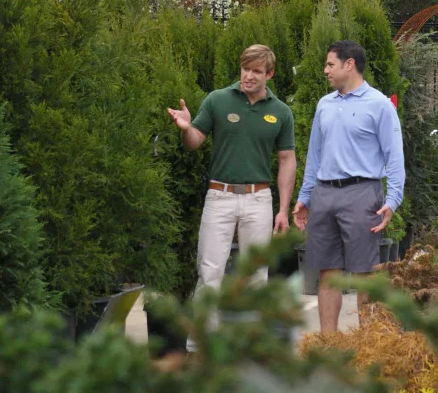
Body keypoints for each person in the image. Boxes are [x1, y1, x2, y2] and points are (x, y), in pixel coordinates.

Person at [167, 44, 296, 350]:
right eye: (245, 69)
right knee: (210, 270)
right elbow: (194, 141)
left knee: (255, 275)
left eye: (256, 71)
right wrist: (186, 128)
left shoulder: (281, 112)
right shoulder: (217, 100)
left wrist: (283, 209)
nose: (249, 76)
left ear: (270, 74)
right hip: (219, 196)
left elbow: (287, 160)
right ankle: (200, 346)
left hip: (259, 200)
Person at [291, 40, 405, 332]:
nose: (325, 70)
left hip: (362, 193)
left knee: (364, 273)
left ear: (349, 64)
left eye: (330, 64)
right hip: (324, 195)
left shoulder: (379, 105)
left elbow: (394, 157)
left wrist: (392, 201)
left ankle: (369, 344)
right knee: (327, 274)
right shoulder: (324, 105)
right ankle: (329, 346)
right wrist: (305, 197)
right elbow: (314, 155)